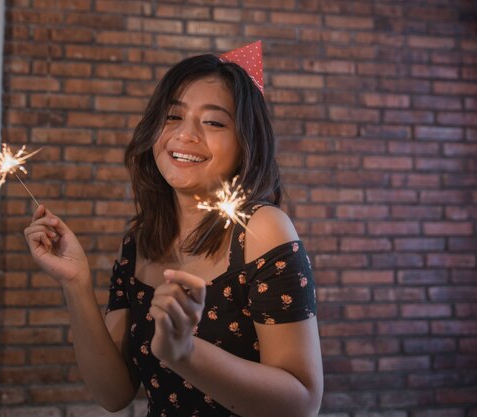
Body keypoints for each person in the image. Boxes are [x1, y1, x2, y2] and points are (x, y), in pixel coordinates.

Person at [24, 41, 323, 417]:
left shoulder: (261, 229)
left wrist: (184, 351)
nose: (186, 134)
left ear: (246, 142)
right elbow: (113, 394)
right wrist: (76, 283)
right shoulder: (140, 240)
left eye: (213, 122)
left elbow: (302, 403)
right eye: (172, 117)